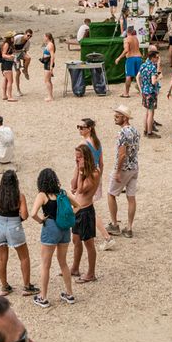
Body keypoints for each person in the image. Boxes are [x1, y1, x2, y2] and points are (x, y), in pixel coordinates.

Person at [0, 170, 35, 299]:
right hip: (14, 226)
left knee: (1, 258)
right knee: (24, 257)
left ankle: (5, 286)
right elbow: (25, 215)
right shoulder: (19, 196)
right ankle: (27, 286)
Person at [32, 167, 75, 306]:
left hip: (50, 228)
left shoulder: (42, 195)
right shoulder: (63, 193)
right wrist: (68, 216)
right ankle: (69, 294)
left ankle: (43, 297)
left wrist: (41, 221)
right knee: (63, 262)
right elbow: (78, 205)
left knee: (46, 265)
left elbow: (33, 214)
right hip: (64, 228)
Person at [71, 120, 101, 285]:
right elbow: (73, 185)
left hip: (86, 211)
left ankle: (91, 273)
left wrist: (82, 171)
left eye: (79, 157)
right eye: (76, 158)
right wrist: (77, 168)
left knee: (89, 243)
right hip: (77, 210)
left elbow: (81, 189)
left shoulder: (94, 173)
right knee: (76, 240)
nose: (77, 160)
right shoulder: (81, 168)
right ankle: (75, 267)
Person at [106, 105, 139, 238]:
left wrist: (118, 171)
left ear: (124, 118)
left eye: (117, 116)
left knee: (111, 194)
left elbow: (122, 155)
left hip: (124, 168)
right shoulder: (135, 130)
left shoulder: (122, 133)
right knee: (131, 197)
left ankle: (114, 224)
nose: (115, 118)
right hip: (134, 167)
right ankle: (129, 227)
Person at [136, 44, 162, 138]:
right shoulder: (152, 67)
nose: (158, 59)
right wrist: (159, 77)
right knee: (151, 112)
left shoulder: (143, 65)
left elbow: (137, 77)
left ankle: (145, 130)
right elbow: (153, 81)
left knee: (147, 112)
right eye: (157, 57)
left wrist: (140, 89)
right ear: (153, 58)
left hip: (145, 91)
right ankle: (150, 132)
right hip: (151, 92)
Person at [120, 26, 141, 96]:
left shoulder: (126, 39)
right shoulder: (136, 39)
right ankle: (142, 90)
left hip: (131, 58)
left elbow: (126, 50)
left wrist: (119, 58)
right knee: (139, 75)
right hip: (139, 57)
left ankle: (126, 93)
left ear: (127, 32)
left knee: (128, 75)